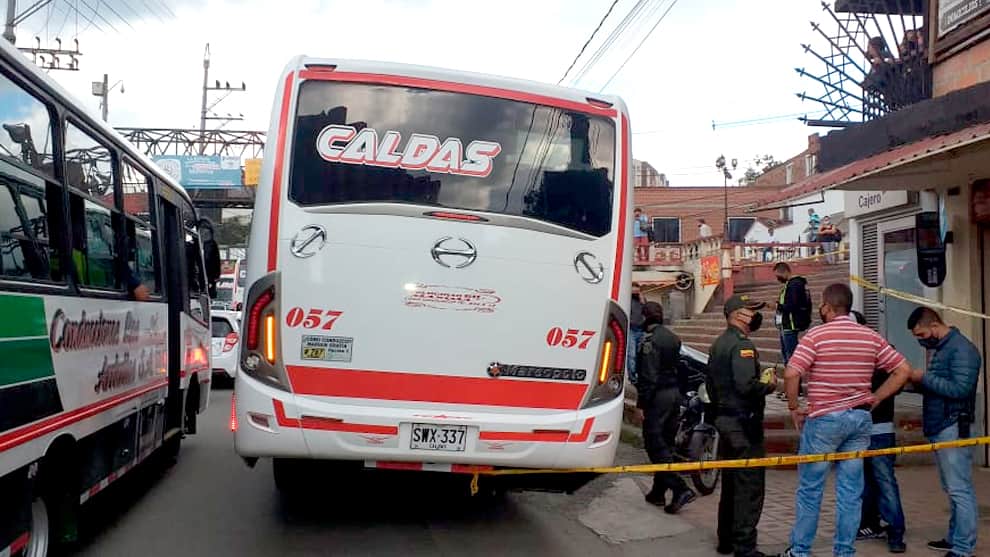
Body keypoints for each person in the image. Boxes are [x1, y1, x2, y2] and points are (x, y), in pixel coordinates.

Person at [779, 284, 913, 557]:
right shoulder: (870, 336)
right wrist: (876, 397)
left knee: (810, 490)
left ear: (827, 307)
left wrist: (794, 407)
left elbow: (792, 373)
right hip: (860, 420)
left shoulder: (816, 335)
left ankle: (801, 550)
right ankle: (844, 551)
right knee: (851, 492)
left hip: (824, 421)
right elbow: (903, 370)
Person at [907, 308, 981, 557]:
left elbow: (961, 389)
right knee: (951, 488)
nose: (921, 340)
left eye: (922, 334)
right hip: (942, 424)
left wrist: (924, 378)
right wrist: (915, 383)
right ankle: (954, 538)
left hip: (953, 425)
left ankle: (963, 548)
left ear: (935, 325)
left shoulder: (962, 349)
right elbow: (941, 387)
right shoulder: (942, 349)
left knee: (960, 488)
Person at [709, 294, 777, 557]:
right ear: (738, 315)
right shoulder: (741, 346)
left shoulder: (719, 343)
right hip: (743, 424)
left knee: (731, 484)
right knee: (748, 486)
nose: (756, 316)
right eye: (752, 311)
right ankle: (745, 547)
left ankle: (726, 540)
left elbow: (712, 385)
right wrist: (768, 385)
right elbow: (745, 385)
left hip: (726, 421)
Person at [850, 311, 906, 554]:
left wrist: (876, 397)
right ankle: (869, 524)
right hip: (858, 427)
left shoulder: (880, 350)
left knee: (884, 481)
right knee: (867, 482)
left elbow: (900, 380)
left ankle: (895, 531)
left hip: (879, 426)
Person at [635, 302, 696, 514]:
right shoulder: (673, 337)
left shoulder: (648, 341)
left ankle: (680, 489)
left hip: (657, 397)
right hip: (674, 395)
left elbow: (649, 377)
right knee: (667, 444)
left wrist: (641, 404)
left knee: (654, 444)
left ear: (645, 317)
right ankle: (658, 493)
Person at [772, 263, 811, 366]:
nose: (777, 278)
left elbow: (792, 305)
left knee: (791, 358)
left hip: (790, 324)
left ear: (785, 272)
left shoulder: (795, 284)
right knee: (787, 356)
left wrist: (777, 306)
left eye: (778, 275)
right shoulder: (790, 284)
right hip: (785, 324)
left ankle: (794, 380)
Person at [628, 283, 645, 384]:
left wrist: (642, 301)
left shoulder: (641, 300)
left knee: (640, 354)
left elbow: (646, 311)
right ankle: (632, 377)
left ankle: (638, 375)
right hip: (631, 329)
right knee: (632, 354)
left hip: (640, 329)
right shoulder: (627, 300)